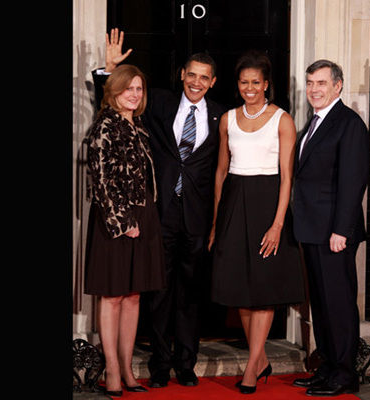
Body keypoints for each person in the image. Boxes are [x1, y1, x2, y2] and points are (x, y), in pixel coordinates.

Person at [92, 28, 226, 388]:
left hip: (196, 217)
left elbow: (225, 170)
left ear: (212, 82)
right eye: (191, 74)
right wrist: (108, 70)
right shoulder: (158, 104)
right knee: (157, 292)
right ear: (182, 74)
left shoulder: (221, 116)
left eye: (204, 77)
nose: (196, 82)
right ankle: (160, 363)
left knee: (190, 294)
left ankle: (186, 362)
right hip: (158, 215)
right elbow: (111, 110)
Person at [208, 50, 306, 395]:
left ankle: (252, 367)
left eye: (256, 82)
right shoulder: (227, 119)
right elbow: (220, 172)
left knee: (262, 289)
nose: (250, 88)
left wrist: (278, 224)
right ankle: (260, 358)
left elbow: (287, 178)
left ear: (267, 84)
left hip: (268, 204)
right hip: (234, 202)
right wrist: (217, 222)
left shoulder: (282, 119)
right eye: (244, 82)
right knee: (240, 289)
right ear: (238, 84)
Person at [84, 63, 166, 397]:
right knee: (114, 295)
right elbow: (101, 179)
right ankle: (113, 371)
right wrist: (123, 222)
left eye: (138, 88)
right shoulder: (105, 125)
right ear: (113, 92)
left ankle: (129, 368)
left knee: (134, 296)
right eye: (127, 88)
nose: (134, 94)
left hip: (144, 215)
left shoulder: (140, 125)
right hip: (115, 221)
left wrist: (142, 219)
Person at [291, 59, 369, 397]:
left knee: (338, 305)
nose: (314, 90)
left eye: (321, 83)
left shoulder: (349, 123)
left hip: (333, 233)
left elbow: (353, 182)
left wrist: (341, 230)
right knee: (321, 304)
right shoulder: (315, 121)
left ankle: (345, 373)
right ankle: (326, 367)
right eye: (310, 83)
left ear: (337, 86)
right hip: (312, 229)